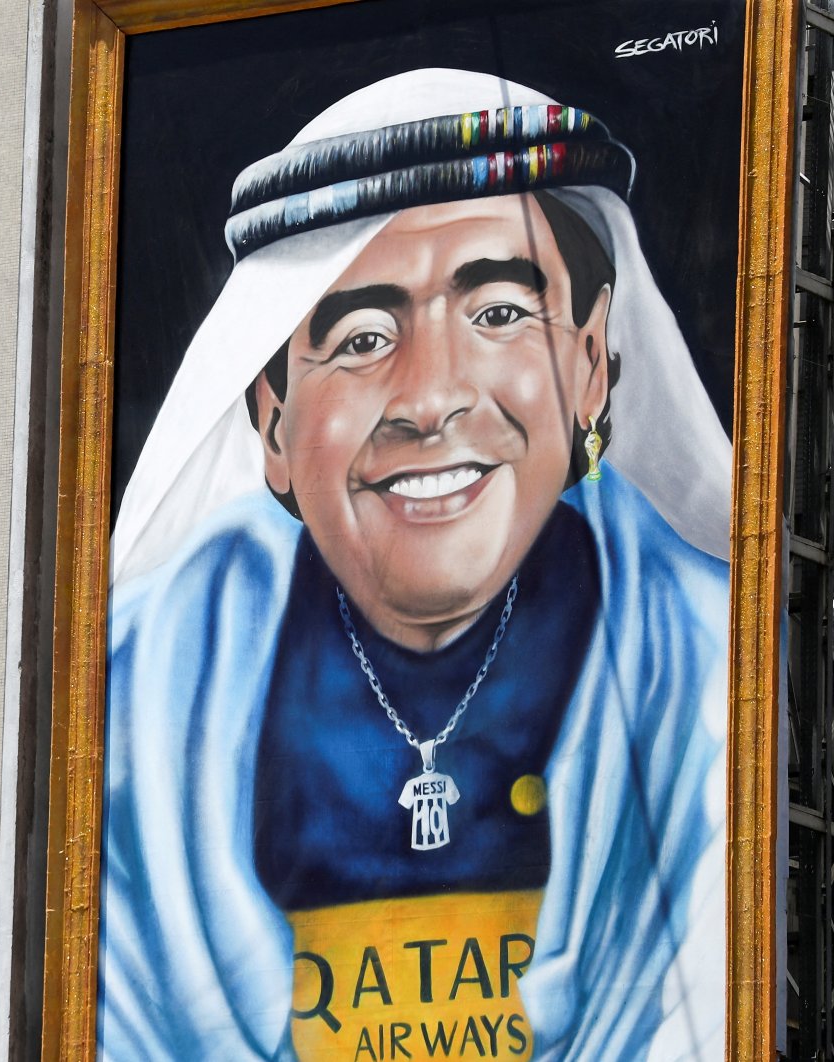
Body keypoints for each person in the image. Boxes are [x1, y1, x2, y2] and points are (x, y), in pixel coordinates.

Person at [99, 69, 730, 1062]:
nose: (432, 397)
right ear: (271, 420)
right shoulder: (135, 708)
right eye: (361, 338)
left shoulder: (716, 677)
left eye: (497, 315)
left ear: (591, 366)